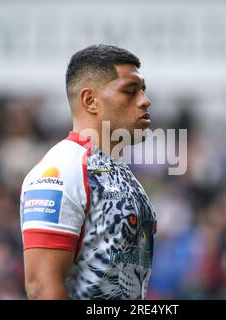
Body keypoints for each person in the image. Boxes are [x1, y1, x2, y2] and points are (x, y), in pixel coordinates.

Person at [21, 44, 157, 299]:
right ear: (90, 101)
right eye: (130, 90)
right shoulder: (62, 171)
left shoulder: (123, 174)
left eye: (143, 90)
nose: (145, 101)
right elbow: (41, 288)